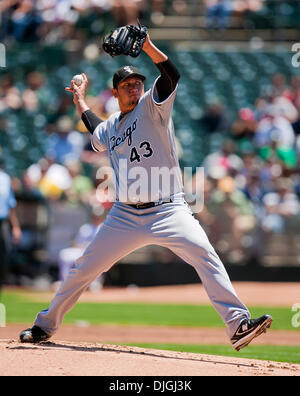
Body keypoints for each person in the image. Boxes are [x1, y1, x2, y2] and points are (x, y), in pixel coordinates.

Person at [19, 32, 272, 351]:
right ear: (115, 93)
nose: (135, 86)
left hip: (169, 210)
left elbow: (172, 75)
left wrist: (149, 46)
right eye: (127, 85)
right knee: (83, 268)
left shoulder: (153, 106)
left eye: (137, 82)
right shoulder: (110, 127)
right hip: (124, 215)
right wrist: (80, 98)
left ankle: (238, 325)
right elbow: (93, 125)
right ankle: (44, 326)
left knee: (205, 256)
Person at [0, 156, 22, 292]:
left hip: (2, 222)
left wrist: (15, 226)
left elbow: (11, 205)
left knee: (4, 252)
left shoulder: (5, 178)